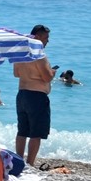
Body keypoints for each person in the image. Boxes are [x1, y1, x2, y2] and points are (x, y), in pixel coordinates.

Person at [14, 24, 56, 166]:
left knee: (22, 131)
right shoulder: (39, 55)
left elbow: (16, 73)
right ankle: (30, 164)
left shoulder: (20, 54)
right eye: (46, 38)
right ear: (37, 37)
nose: (47, 41)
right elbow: (47, 77)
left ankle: (19, 161)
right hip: (36, 96)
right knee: (36, 133)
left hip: (22, 94)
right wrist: (52, 72)